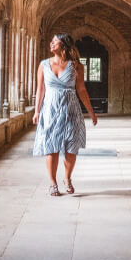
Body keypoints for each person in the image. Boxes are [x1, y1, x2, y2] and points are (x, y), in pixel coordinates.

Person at [32, 33, 98, 196]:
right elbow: (40, 89)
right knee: (51, 145)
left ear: (63, 46)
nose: (51, 43)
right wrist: (36, 111)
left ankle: (67, 178)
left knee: (71, 146)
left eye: (55, 42)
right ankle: (53, 183)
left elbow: (81, 90)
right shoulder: (44, 65)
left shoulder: (76, 66)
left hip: (71, 110)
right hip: (50, 110)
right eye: (51, 41)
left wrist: (91, 112)